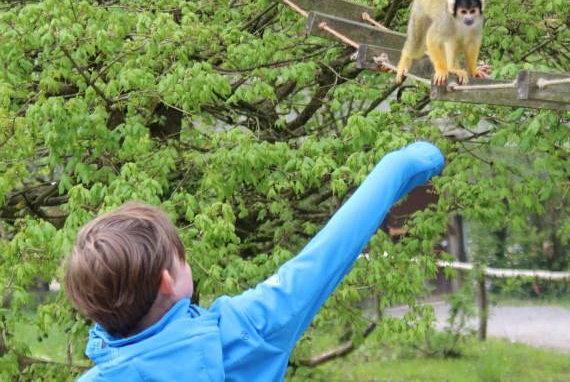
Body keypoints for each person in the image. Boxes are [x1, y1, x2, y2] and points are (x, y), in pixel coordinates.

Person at [65, 141, 444, 381]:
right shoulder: (243, 332)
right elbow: (327, 255)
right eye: (181, 260)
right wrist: (406, 163)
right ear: (168, 282)